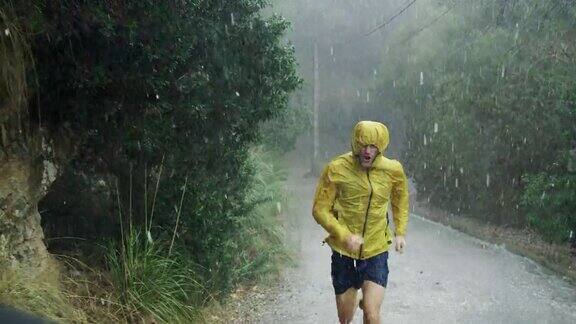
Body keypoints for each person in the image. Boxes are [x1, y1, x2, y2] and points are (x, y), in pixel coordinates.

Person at [312, 121, 409, 324]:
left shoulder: (393, 170)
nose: (367, 151)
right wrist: (344, 235)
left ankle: (367, 304)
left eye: (373, 146)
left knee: (372, 313)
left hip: (376, 250)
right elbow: (319, 209)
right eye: (363, 145)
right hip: (343, 252)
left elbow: (400, 199)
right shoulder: (337, 168)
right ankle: (353, 300)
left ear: (380, 147)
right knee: (345, 318)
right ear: (356, 144)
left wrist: (400, 232)